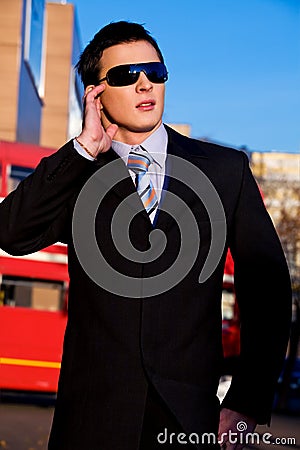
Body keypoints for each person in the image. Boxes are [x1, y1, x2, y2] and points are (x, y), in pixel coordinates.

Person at [0, 21, 292, 450]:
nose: (144, 84)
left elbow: (267, 288)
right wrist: (82, 148)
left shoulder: (225, 171)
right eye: (125, 75)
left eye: (154, 72)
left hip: (188, 422)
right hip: (89, 424)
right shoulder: (79, 175)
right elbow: (12, 232)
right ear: (95, 94)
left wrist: (247, 401)